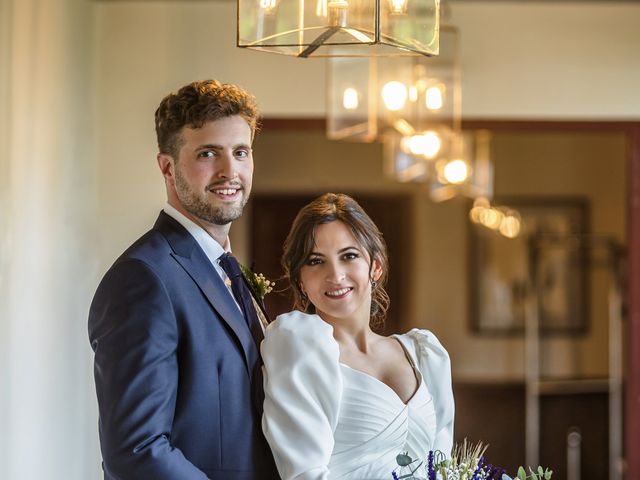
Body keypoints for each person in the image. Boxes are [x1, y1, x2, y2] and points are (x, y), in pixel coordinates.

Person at [88, 80, 278, 479]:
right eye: (208, 153)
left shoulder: (225, 270)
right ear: (167, 167)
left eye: (241, 152)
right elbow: (137, 452)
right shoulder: (144, 278)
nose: (231, 171)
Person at [261, 193, 455, 479]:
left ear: (375, 266)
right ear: (300, 280)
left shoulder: (424, 354)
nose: (335, 275)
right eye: (316, 261)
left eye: (349, 256)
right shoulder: (298, 346)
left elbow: (443, 467)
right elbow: (305, 473)